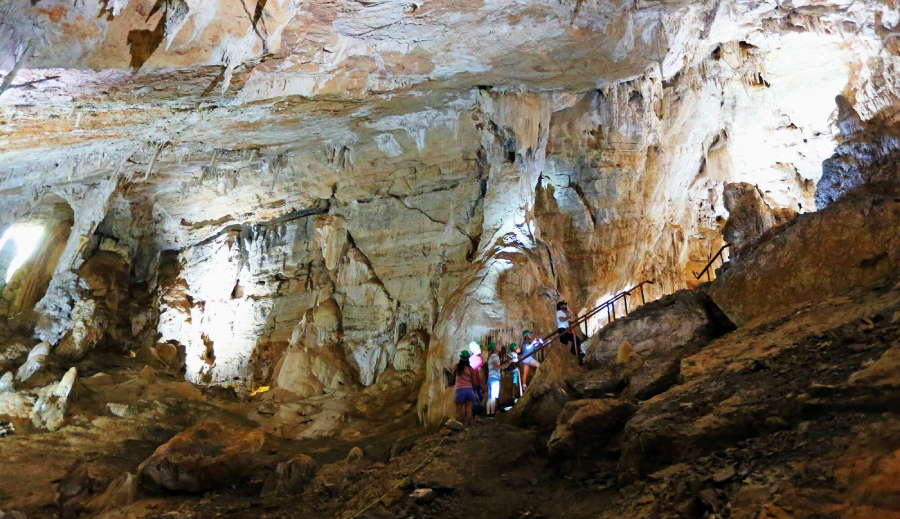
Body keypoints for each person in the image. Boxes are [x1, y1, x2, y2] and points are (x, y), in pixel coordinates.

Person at [453, 350, 477, 426]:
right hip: (469, 390)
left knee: (458, 412)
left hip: (460, 390)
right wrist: (475, 391)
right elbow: (474, 382)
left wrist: (453, 383)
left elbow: (452, 377)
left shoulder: (456, 367)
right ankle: (467, 427)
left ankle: (458, 426)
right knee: (469, 410)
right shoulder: (471, 369)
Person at [485, 342, 501, 418]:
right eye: (497, 345)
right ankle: (493, 414)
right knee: (493, 397)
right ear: (494, 348)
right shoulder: (495, 356)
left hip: (490, 378)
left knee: (490, 397)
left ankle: (488, 414)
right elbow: (495, 366)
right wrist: (504, 366)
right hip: (495, 378)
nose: (499, 346)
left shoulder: (490, 357)